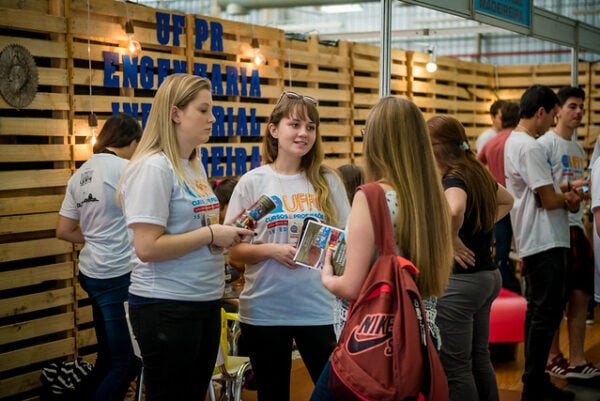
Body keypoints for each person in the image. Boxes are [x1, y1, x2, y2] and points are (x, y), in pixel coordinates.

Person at [116, 74, 253, 401]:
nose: (212, 118)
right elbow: (147, 247)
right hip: (166, 305)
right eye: (203, 110)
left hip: (203, 302)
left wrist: (224, 233)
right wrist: (210, 233)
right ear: (176, 113)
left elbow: (195, 230)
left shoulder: (192, 164)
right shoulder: (154, 167)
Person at [310, 96, 454, 401]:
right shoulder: (433, 198)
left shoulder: (372, 196)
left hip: (372, 343)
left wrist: (326, 274)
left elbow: (351, 286)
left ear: (376, 141)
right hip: (422, 339)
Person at [225, 90, 351, 401]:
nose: (303, 133)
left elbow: (347, 241)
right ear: (274, 129)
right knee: (273, 394)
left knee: (335, 391)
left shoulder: (327, 181)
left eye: (311, 127)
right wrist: (271, 250)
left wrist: (329, 252)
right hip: (266, 310)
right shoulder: (254, 182)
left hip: (318, 308)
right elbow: (233, 250)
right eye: (295, 124)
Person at [56, 113, 142, 401]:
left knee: (107, 357)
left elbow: (64, 230)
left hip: (92, 274)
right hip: (116, 276)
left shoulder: (79, 174)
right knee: (126, 362)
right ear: (131, 141)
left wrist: (95, 235)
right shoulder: (126, 169)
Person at [503, 84, 581, 401]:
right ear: (541, 112)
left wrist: (559, 193)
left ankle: (535, 381)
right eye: (552, 114)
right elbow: (548, 200)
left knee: (538, 313)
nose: (552, 121)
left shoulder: (514, 142)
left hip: (534, 237)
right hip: (544, 239)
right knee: (544, 314)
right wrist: (570, 198)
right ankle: (534, 384)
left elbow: (540, 193)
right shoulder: (531, 146)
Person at [428, 115, 514, 401]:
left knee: (456, 368)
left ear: (435, 148)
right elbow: (507, 200)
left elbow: (454, 210)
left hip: (461, 283)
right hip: (487, 277)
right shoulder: (475, 171)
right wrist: (479, 225)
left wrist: (451, 238)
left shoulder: (453, 178)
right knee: (479, 358)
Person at [538, 86, 600, 380]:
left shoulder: (576, 149)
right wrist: (569, 195)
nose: (578, 112)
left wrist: (583, 195)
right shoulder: (545, 145)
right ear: (557, 110)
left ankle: (577, 358)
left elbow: (574, 204)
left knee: (580, 296)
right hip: (551, 233)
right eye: (572, 106)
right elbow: (543, 194)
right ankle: (552, 356)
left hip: (575, 229)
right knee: (554, 300)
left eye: (582, 107)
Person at [478, 101, 521, 293]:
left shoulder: (491, 142)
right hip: (521, 203)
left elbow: (478, 165)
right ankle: (515, 289)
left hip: (499, 203)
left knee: (501, 251)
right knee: (523, 251)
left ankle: (504, 289)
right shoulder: (520, 141)